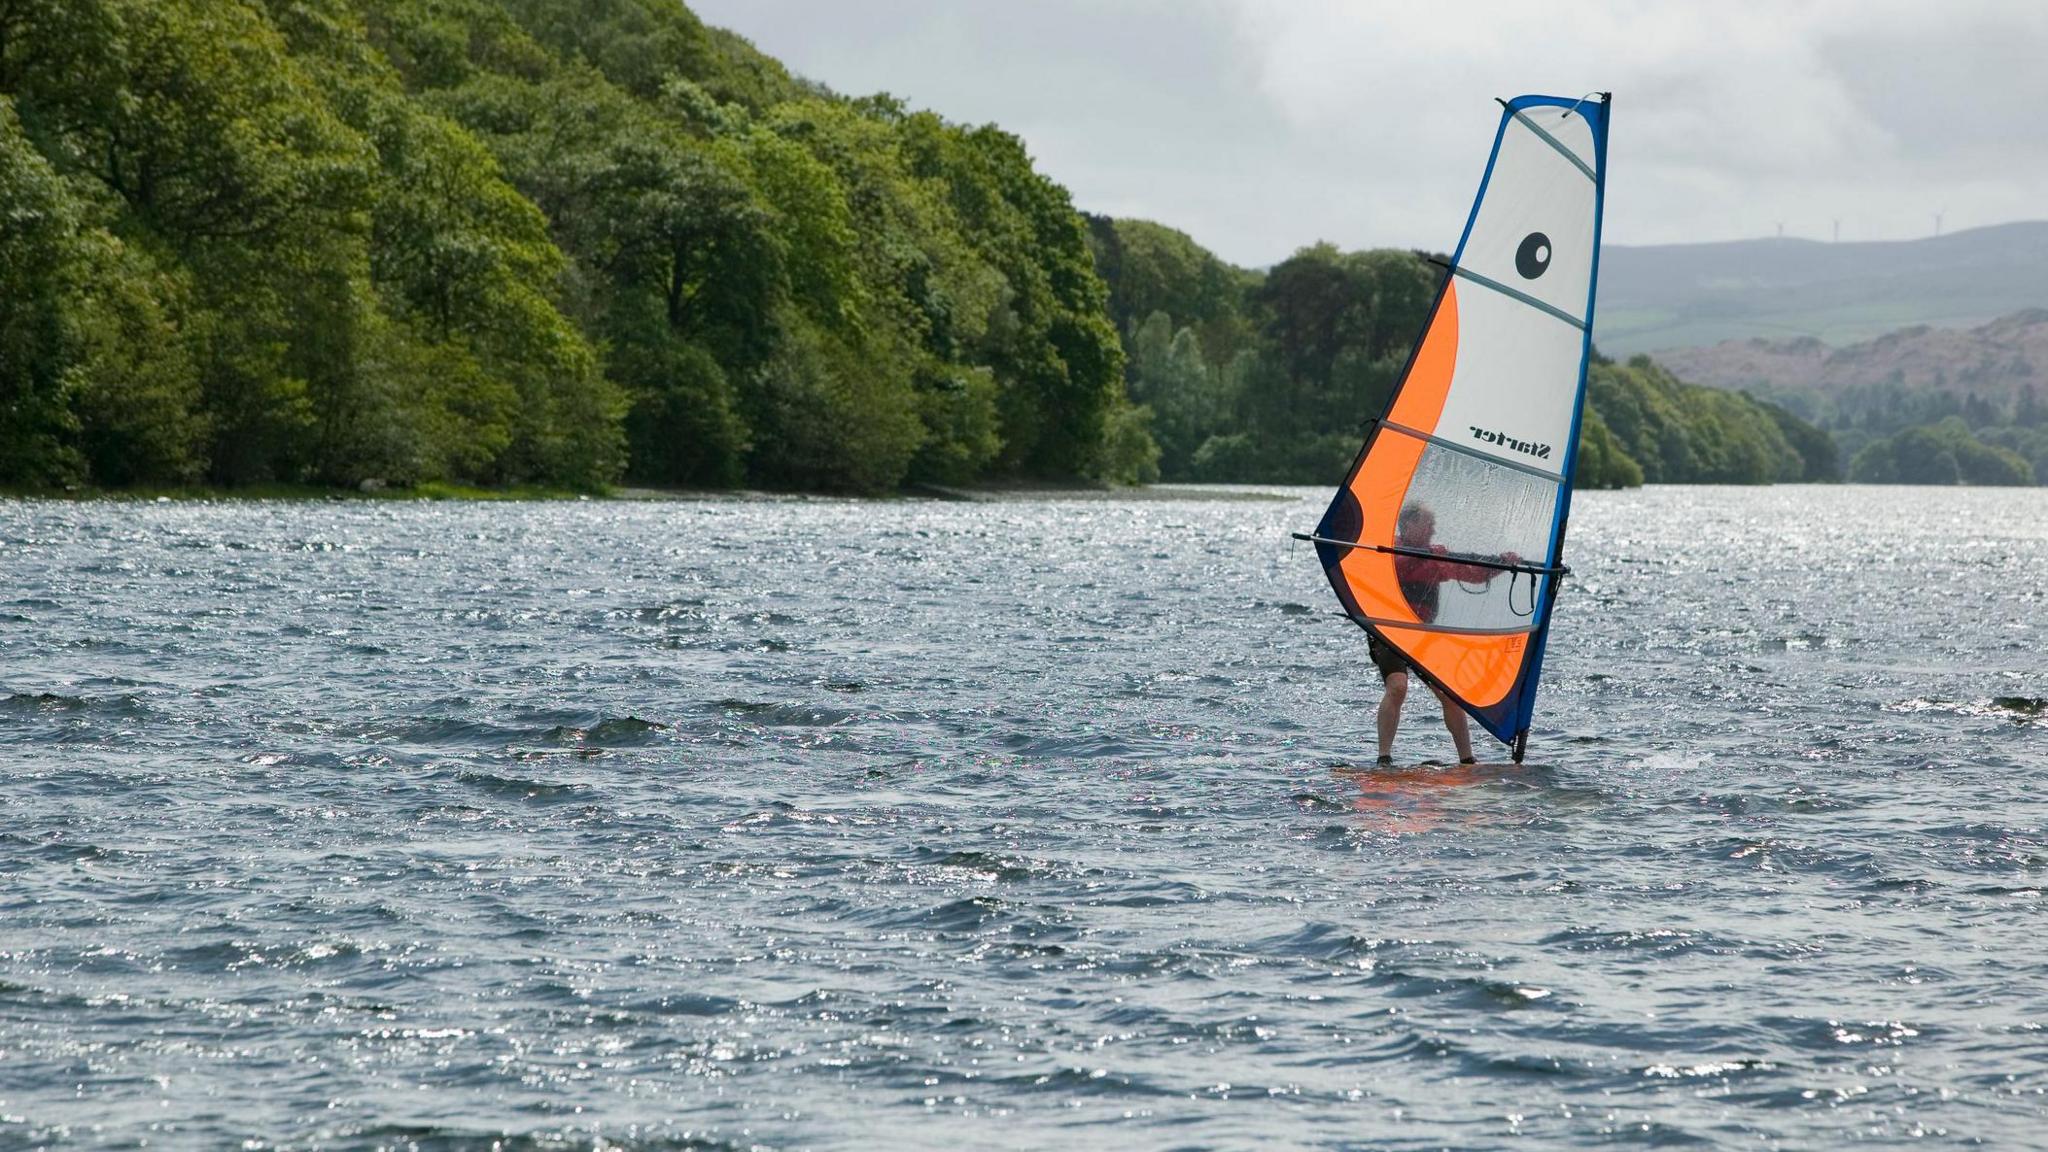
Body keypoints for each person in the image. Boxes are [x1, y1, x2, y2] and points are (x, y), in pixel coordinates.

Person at [1368, 504, 1519, 766]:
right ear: (1410, 526)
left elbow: (1471, 572)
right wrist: (1425, 555)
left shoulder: (1435, 556)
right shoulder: (1390, 550)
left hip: (1422, 636)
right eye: (1428, 524)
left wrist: (1502, 563)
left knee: (1449, 693)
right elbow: (1400, 566)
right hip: (1388, 632)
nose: (1433, 529)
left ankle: (1467, 759)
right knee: (1397, 687)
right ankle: (1384, 758)